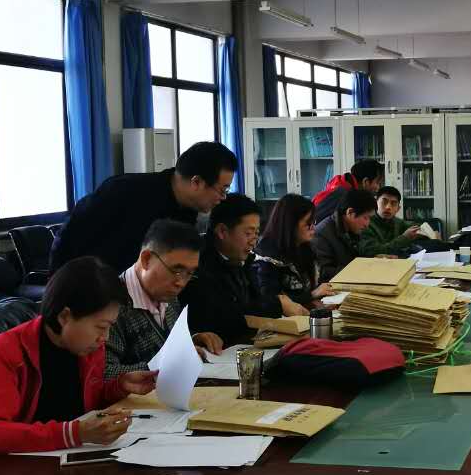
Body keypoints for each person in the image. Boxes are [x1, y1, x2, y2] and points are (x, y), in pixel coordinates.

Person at [0, 257, 156, 475]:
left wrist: (119, 386)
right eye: (101, 327)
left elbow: (81, 403)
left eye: (110, 327)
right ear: (64, 317)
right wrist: (74, 433)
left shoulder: (87, 348)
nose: (105, 338)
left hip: (59, 464)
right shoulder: (5, 353)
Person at [49, 141, 238, 273]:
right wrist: (59, 285)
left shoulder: (187, 212)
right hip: (93, 288)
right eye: (222, 190)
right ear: (196, 182)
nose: (223, 198)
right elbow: (70, 234)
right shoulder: (125, 191)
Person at [104, 219, 225, 380]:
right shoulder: (110, 303)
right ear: (146, 259)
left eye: (189, 273)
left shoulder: (165, 293)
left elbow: (165, 344)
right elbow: (104, 374)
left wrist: (192, 340)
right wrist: (161, 366)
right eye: (176, 270)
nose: (181, 283)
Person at [184, 194, 306, 346]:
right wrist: (277, 304)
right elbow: (226, 317)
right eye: (248, 233)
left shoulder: (241, 260)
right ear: (222, 231)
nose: (253, 242)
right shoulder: (198, 265)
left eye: (256, 233)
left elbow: (254, 302)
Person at [252, 194, 334, 309]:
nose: (313, 227)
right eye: (308, 223)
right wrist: (312, 296)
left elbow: (319, 281)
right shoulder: (266, 258)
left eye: (313, 222)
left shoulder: (306, 248)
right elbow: (271, 301)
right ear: (290, 224)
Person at [312, 188, 375, 280]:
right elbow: (324, 272)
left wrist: (374, 259)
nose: (367, 224)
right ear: (350, 212)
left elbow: (358, 256)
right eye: (365, 218)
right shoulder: (322, 235)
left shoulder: (353, 229)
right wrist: (358, 270)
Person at [312, 159, 384, 223]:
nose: (378, 188)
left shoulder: (343, 184)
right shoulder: (342, 194)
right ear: (366, 182)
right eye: (377, 183)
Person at [359, 186, 421, 257]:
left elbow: (415, 225)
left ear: (398, 209)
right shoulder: (366, 223)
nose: (388, 207)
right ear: (375, 203)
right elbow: (372, 251)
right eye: (384, 202)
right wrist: (404, 238)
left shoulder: (397, 222)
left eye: (393, 203)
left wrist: (425, 231)